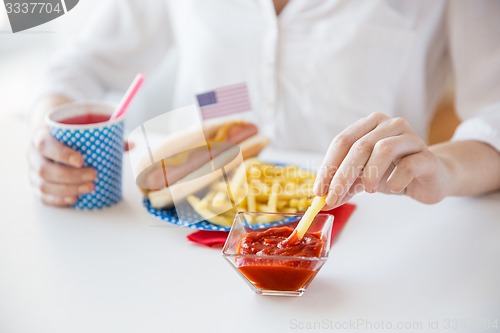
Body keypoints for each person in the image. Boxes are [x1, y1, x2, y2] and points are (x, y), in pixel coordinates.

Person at [28, 0, 500, 208]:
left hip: (365, 247)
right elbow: (78, 67)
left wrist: (444, 169)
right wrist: (47, 137)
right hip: (188, 233)